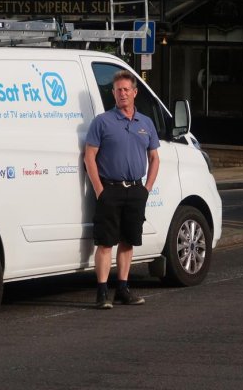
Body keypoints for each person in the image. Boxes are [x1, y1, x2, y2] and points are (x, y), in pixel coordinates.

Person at [83, 70, 160, 309]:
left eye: (127, 89)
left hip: (136, 190)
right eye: (118, 90)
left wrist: (146, 189)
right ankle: (102, 292)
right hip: (109, 190)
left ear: (135, 93)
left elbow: (155, 158)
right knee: (106, 243)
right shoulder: (102, 122)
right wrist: (99, 190)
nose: (122, 93)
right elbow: (89, 157)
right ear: (113, 94)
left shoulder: (146, 123)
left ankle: (123, 289)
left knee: (128, 242)